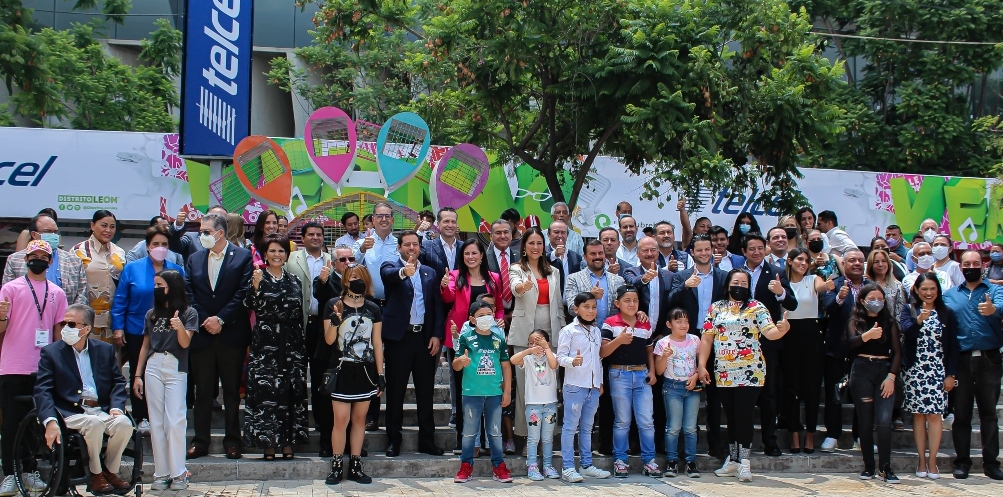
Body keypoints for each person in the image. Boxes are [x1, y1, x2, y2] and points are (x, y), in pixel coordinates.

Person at [698, 269, 790, 482]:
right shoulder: (716, 308)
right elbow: (707, 338)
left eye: (744, 283)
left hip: (750, 371)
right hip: (724, 371)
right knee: (731, 416)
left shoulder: (756, 307)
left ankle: (745, 462)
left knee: (744, 415)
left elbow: (770, 333)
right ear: (728, 284)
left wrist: (783, 329)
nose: (739, 286)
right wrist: (702, 365)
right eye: (736, 282)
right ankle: (733, 459)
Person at [34, 304, 134, 494]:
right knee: (94, 423)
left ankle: (109, 471)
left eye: (71, 324)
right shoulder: (52, 352)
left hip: (99, 408)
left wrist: (116, 407)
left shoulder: (104, 350)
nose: (65, 328)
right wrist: (50, 421)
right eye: (63, 323)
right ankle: (96, 474)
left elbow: (118, 382)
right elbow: (43, 389)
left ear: (87, 329)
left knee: (124, 424)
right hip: (69, 411)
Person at [0, 240, 68, 496]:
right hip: (13, 365)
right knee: (11, 422)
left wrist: (60, 365)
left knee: (38, 423)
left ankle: (29, 471)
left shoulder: (57, 292)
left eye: (43, 256)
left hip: (43, 367)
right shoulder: (10, 289)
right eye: (33, 255)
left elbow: (59, 332)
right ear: (26, 259)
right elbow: (1, 328)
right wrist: (1, 315)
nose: (38, 259)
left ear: (50, 261)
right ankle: (10, 473)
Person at [184, 212, 254, 460]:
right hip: (203, 334)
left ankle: (233, 440)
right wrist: (207, 320)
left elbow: (243, 292)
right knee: (203, 391)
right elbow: (189, 292)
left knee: (232, 392)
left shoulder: (242, 256)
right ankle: (200, 440)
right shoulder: (194, 258)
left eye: (205, 231)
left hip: (231, 333)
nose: (201, 235)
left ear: (220, 233)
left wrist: (221, 319)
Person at [111, 225, 185, 432]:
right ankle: (141, 415)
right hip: (137, 328)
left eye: (164, 244)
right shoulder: (132, 269)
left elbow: (183, 299)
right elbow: (120, 300)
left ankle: (164, 415)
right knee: (139, 371)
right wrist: (118, 327)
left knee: (166, 372)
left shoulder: (176, 270)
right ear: (147, 246)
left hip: (168, 331)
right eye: (155, 244)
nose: (160, 248)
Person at [243, 234, 309, 459]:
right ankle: (268, 443)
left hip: (292, 344)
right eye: (272, 250)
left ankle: (288, 443)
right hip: (266, 344)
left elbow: (298, 313)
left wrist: (300, 347)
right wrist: (255, 286)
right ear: (265, 254)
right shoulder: (257, 277)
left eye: (281, 251)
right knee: (266, 394)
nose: (277, 255)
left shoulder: (294, 280)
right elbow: (249, 305)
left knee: (290, 393)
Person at [380, 231, 444, 457]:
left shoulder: (429, 272)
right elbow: (388, 277)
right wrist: (403, 273)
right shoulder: (390, 266)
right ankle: (393, 439)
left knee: (425, 391)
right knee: (396, 391)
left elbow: (436, 306)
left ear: (420, 247)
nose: (411, 248)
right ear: (399, 247)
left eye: (415, 244)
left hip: (424, 338)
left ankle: (427, 439)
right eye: (407, 244)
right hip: (400, 338)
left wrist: (436, 335)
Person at [132, 270, 197, 491]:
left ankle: (179, 472)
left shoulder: (189, 313)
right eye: (155, 285)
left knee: (175, 420)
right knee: (156, 421)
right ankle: (161, 473)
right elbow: (145, 345)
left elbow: (185, 343)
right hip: (153, 364)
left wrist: (179, 327)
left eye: (161, 285)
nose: (157, 289)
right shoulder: (152, 314)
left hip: (176, 365)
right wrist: (137, 375)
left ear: (173, 286)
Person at [565, 239, 630, 456]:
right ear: (585, 257)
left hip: (610, 342)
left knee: (608, 396)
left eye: (600, 253)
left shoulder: (617, 279)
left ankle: (605, 445)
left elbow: (624, 306)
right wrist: (590, 295)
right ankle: (581, 448)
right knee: (584, 398)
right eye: (592, 254)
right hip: (583, 345)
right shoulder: (574, 278)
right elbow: (570, 306)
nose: (597, 257)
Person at [942, 250, 1003, 480]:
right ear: (960, 267)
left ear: (983, 265)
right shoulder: (950, 295)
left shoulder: (995, 291)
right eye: (966, 264)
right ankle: (962, 462)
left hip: (989, 359)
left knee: (989, 414)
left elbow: (1002, 305)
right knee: (961, 414)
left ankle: (991, 463)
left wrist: (994, 310)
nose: (971, 267)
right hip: (961, 360)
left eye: (975, 263)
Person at [666, 234, 728, 457]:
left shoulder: (723, 276)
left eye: (707, 249)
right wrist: (685, 286)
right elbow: (670, 301)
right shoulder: (682, 276)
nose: (703, 253)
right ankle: (682, 447)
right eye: (699, 250)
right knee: (684, 390)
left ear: (713, 251)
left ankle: (715, 444)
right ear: (692, 252)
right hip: (687, 339)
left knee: (714, 394)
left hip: (716, 339)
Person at [441, 239, 505, 452]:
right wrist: (444, 285)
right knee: (463, 390)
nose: (470, 257)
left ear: (482, 255)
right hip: (461, 337)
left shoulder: (494, 278)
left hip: (488, 339)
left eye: (474, 253)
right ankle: (465, 440)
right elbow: (448, 296)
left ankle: (486, 441)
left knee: (487, 387)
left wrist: (500, 320)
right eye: (466, 253)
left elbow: (499, 307)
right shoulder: (455, 276)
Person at [323, 264, 383, 485]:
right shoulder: (334, 304)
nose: (356, 280)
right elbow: (329, 340)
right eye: (352, 277)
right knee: (341, 419)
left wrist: (380, 374)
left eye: (360, 277)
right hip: (341, 369)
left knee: (359, 419)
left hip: (365, 371)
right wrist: (334, 322)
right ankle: (337, 464)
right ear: (345, 280)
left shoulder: (373, 308)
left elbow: (377, 342)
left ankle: (356, 465)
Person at [741, 232, 797, 457]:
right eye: (751, 249)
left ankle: (770, 441)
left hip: (768, 343)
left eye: (759, 248)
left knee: (769, 393)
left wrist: (780, 292)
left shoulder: (777, 272)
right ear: (743, 252)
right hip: (740, 343)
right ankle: (741, 443)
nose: (756, 252)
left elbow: (792, 303)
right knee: (743, 395)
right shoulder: (736, 273)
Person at [898, 273, 958, 480]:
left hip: (938, 370)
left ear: (938, 290)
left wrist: (951, 374)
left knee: (934, 415)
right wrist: (919, 321)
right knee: (919, 415)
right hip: (915, 370)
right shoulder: (908, 309)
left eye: (933, 288)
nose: (929, 292)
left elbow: (953, 346)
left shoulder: (947, 313)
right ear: (916, 290)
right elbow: (907, 332)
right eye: (924, 289)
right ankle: (921, 460)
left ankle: (932, 462)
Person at [508, 228, 564, 450]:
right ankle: (526, 437)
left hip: (551, 328)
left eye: (539, 243)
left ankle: (547, 438)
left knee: (550, 385)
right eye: (531, 243)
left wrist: (561, 332)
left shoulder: (554, 271)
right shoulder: (516, 268)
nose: (535, 247)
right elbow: (515, 288)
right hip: (525, 331)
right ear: (524, 246)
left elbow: (558, 302)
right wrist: (523, 286)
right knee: (525, 388)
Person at [600, 286, 660, 478]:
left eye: (635, 300)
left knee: (646, 421)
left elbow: (649, 350)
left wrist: (652, 371)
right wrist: (619, 340)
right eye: (627, 300)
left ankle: (649, 461)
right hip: (619, 374)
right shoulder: (610, 323)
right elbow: (603, 352)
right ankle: (620, 460)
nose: (632, 304)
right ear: (617, 303)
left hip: (642, 374)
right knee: (622, 420)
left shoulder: (644, 323)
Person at [284, 222, 333, 454]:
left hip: (322, 327)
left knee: (321, 378)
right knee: (296, 379)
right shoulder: (290, 259)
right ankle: (297, 427)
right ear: (302, 238)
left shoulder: (332, 260)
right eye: (311, 234)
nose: (315, 237)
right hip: (297, 325)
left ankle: (323, 426)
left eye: (319, 234)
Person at [452, 300, 514, 484]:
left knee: (495, 432)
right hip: (472, 393)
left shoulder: (498, 339)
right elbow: (455, 365)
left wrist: (507, 391)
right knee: (469, 432)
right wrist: (461, 361)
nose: (486, 318)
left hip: (494, 393)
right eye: (481, 316)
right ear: (472, 319)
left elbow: (506, 366)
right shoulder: (466, 337)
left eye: (489, 314)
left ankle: (499, 466)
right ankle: (466, 465)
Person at [845, 283, 902, 483]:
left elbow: (897, 352)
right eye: (872, 299)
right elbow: (849, 344)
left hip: (884, 371)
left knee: (884, 421)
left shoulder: (889, 322)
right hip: (862, 371)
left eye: (880, 298)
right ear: (862, 301)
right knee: (865, 421)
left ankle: (886, 467)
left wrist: (892, 376)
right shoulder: (855, 320)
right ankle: (868, 466)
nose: (876, 302)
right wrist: (866, 336)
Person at [818, 249, 871, 453]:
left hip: (864, 349)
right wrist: (839, 298)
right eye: (852, 260)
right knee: (833, 394)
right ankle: (833, 434)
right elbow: (829, 308)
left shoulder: (871, 286)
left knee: (863, 395)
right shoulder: (833, 284)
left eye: (860, 260)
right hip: (837, 348)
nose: (857, 263)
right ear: (843, 264)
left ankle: (861, 437)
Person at [556, 292, 612, 483]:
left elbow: (598, 359)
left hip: (593, 387)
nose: (590, 311)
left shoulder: (596, 331)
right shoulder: (568, 331)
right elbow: (560, 357)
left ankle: (586, 465)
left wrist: (599, 382)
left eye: (594, 307)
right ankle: (568, 467)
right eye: (586, 307)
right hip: (575, 385)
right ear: (576, 309)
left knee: (587, 427)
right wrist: (573, 361)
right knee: (570, 427)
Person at [353, 203, 399, 430]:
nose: (383, 220)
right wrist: (362, 250)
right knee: (370, 360)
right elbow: (350, 267)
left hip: (393, 305)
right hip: (369, 306)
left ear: (393, 219)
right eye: (379, 216)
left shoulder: (398, 244)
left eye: (387, 216)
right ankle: (371, 414)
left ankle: (393, 417)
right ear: (372, 219)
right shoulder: (362, 243)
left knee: (394, 361)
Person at [781, 247, 828, 453]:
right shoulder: (782, 283)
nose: (803, 263)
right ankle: (793, 433)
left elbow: (822, 286)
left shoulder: (813, 279)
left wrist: (828, 284)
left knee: (812, 387)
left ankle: (810, 433)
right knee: (791, 387)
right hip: (788, 335)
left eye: (806, 260)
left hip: (811, 335)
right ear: (790, 261)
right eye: (799, 259)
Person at [654, 308, 702, 477]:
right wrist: (664, 356)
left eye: (686, 321)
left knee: (690, 428)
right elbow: (659, 371)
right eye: (679, 321)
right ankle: (672, 461)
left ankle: (691, 462)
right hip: (672, 387)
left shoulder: (695, 340)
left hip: (691, 387)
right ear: (669, 324)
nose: (683, 325)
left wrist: (696, 376)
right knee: (673, 427)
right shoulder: (663, 343)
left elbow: (701, 364)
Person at [3, 212, 88, 306]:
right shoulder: (14, 260)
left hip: (64, 313)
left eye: (55, 232)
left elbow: (81, 295)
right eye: (48, 231)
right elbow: (7, 296)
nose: (53, 235)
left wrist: (70, 314)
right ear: (34, 234)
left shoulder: (74, 261)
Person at [509, 329, 559, 481]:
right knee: (533, 438)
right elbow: (513, 360)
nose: (535, 346)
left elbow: (553, 364)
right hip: (533, 405)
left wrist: (546, 348)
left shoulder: (551, 355)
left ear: (547, 343)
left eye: (539, 342)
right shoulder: (528, 359)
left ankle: (548, 465)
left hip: (550, 404)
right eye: (531, 343)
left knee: (547, 438)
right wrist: (529, 351)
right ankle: (532, 466)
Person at [71, 211, 126, 345]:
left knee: (111, 357)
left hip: (112, 321)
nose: (108, 230)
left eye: (112, 227)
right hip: (86, 320)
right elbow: (72, 287)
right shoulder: (77, 251)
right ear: (92, 225)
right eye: (103, 225)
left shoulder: (119, 252)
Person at [546, 220, 585, 312]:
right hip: (549, 308)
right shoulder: (541, 253)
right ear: (548, 235)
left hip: (570, 308)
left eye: (563, 232)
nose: (560, 235)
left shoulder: (576, 257)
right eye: (556, 232)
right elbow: (541, 263)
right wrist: (554, 254)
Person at [485, 219, 517, 317]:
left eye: (506, 232)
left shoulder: (521, 257)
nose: (503, 236)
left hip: (517, 315)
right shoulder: (483, 258)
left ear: (511, 235)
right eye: (498, 233)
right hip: (492, 315)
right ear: (491, 236)